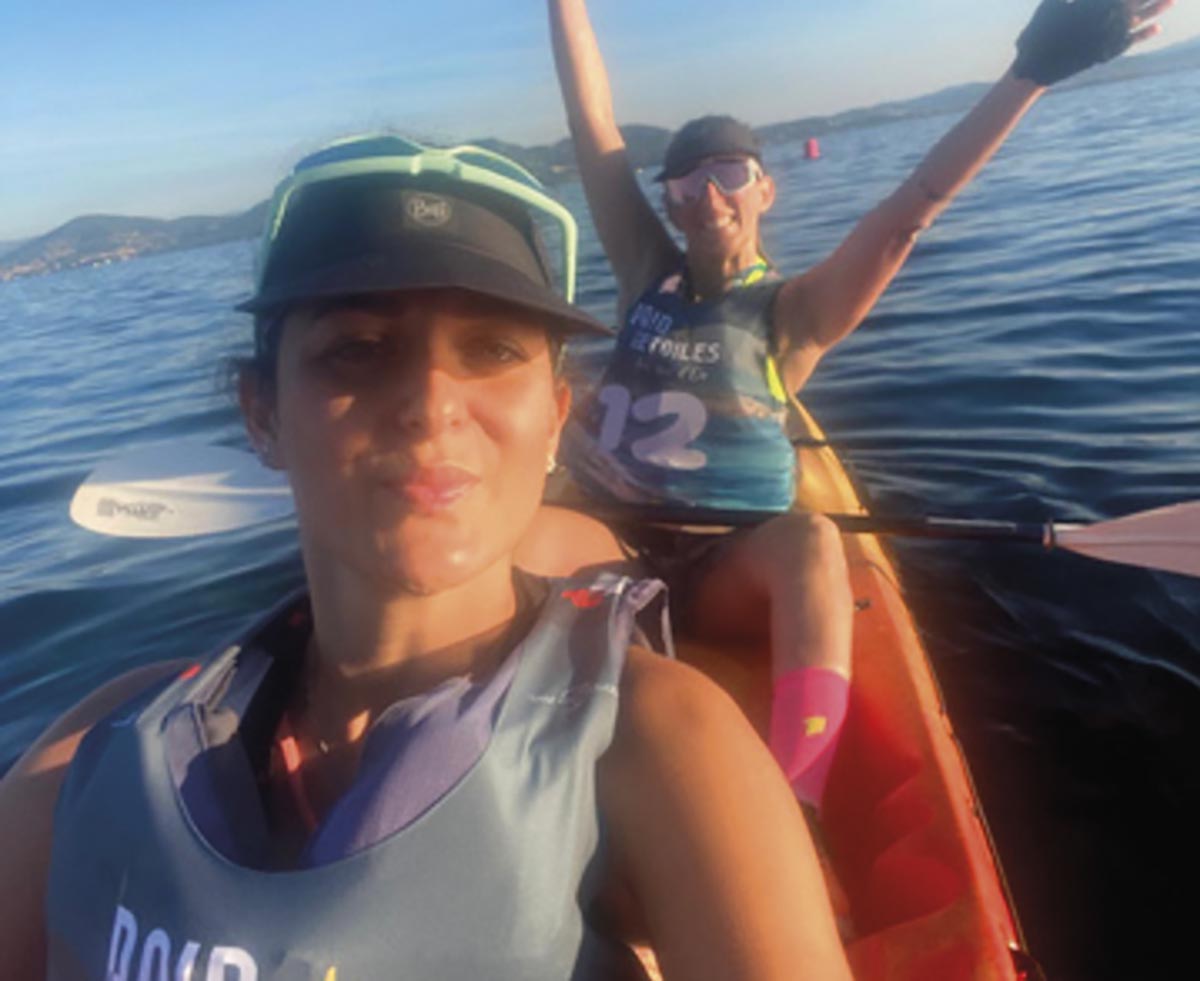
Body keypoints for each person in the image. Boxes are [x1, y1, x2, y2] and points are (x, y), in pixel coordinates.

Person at [0, 136, 852, 980]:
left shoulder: (660, 745)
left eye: (494, 349)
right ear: (262, 415)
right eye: (357, 348)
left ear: (556, 418)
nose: (432, 401)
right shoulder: (99, 740)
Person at [540, 0, 1175, 808]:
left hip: (717, 567)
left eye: (728, 175)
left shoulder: (794, 313)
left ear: (765, 189)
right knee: (504, 520)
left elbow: (913, 208)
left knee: (812, 540)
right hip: (604, 540)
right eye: (686, 183)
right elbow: (591, 119)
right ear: (668, 202)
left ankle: (798, 800)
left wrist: (1029, 76)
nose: (708, 196)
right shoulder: (642, 271)